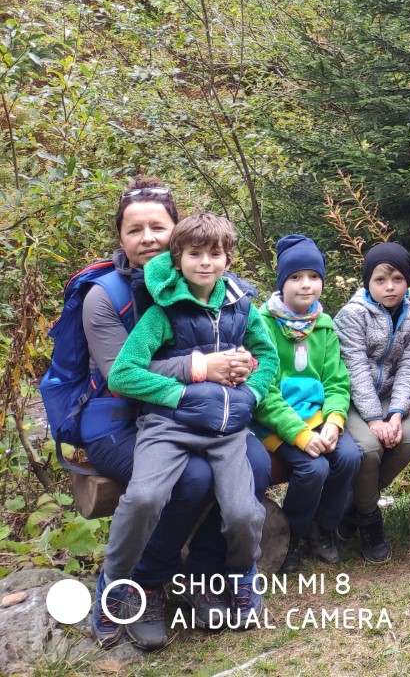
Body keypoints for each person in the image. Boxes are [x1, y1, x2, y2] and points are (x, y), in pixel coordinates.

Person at [64, 180, 272, 647]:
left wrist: (250, 390)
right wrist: (201, 371)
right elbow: (124, 373)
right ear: (120, 237)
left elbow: (262, 352)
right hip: (124, 421)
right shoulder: (109, 294)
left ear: (175, 232)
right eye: (134, 229)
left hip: (216, 417)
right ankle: (139, 584)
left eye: (158, 226)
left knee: (255, 468)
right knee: (190, 482)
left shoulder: (234, 298)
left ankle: (211, 576)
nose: (147, 237)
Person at [251, 235, 361, 574]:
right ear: (282, 282)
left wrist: (333, 421)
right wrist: (300, 435)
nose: (306, 285)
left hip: (315, 417)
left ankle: (323, 529)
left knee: (349, 456)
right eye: (296, 277)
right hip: (274, 423)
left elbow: (336, 382)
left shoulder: (324, 326)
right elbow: (264, 393)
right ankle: (293, 535)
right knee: (314, 468)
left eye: (314, 277)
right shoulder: (262, 324)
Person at [336, 242, 410, 563]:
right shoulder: (351, 315)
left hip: (388, 395)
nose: (389, 287)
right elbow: (354, 367)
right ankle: (370, 520)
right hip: (350, 396)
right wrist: (375, 419)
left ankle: (354, 507)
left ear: (407, 281)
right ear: (367, 282)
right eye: (380, 280)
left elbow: (409, 367)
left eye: (398, 279)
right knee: (369, 448)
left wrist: (396, 413)